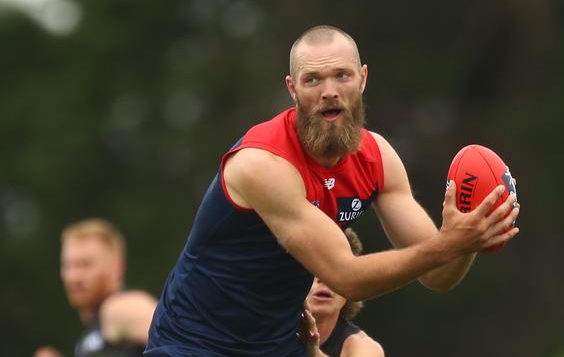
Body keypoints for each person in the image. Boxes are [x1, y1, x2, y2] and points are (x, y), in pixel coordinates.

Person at [145, 25, 520, 357]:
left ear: (363, 78)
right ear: (292, 88)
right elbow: (345, 276)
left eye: (342, 75)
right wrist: (449, 244)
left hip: (277, 346)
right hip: (193, 344)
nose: (329, 92)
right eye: (313, 80)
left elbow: (438, 274)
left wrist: (472, 233)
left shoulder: (378, 158)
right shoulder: (262, 164)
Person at [34, 218, 157, 357]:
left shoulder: (118, 308)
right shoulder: (93, 334)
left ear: (117, 266)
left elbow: (178, 340)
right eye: (68, 266)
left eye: (85, 264)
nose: (74, 277)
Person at [302, 228, 383, 357]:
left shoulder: (363, 348)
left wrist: (313, 352)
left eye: (335, 268)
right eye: (312, 267)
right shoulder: (261, 329)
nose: (324, 279)